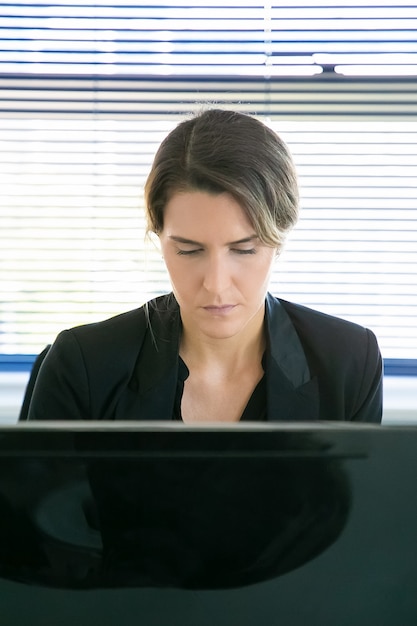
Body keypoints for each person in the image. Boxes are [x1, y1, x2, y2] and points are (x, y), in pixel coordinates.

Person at [26, 108, 382, 423]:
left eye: (244, 250)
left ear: (279, 238)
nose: (215, 284)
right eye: (189, 251)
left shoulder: (349, 363)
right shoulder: (80, 366)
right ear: (159, 235)